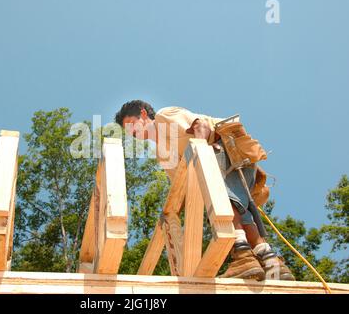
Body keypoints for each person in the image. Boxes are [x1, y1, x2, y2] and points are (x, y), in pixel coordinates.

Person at [114, 99, 295, 281]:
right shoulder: (162, 154)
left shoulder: (164, 117)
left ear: (143, 114)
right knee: (240, 209)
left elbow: (200, 126)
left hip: (225, 150)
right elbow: (181, 185)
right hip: (226, 162)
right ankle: (272, 264)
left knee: (223, 203)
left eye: (130, 124)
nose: (131, 132)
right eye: (127, 130)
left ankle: (243, 256)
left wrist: (201, 160)